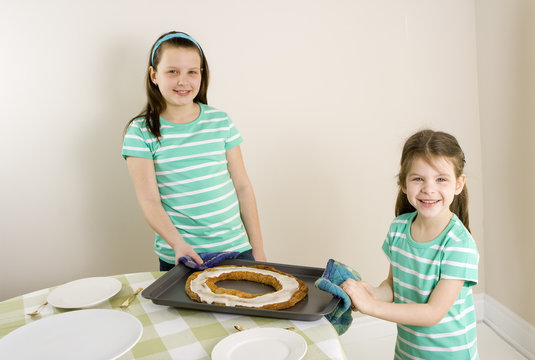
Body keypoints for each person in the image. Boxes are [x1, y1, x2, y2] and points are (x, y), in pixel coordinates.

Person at [122, 31, 266, 271]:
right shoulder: (141, 131)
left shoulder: (221, 122)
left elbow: (242, 186)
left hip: (238, 249)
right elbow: (149, 200)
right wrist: (178, 245)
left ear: (202, 75)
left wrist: (258, 249)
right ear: (154, 75)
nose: (183, 81)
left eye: (192, 72)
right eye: (172, 71)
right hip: (183, 255)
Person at [341, 129, 479, 359]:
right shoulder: (398, 229)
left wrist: (371, 307)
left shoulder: (459, 244)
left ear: (458, 184)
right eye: (418, 179)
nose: (429, 189)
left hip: (450, 355)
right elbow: (393, 287)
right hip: (408, 352)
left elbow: (433, 313)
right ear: (404, 183)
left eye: (441, 179)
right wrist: (372, 293)